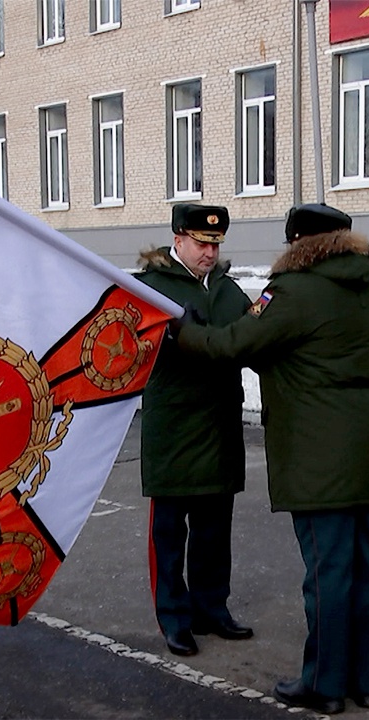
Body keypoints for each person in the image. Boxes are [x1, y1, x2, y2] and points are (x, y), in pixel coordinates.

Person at [177, 203, 369, 714]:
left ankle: (324, 686)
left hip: (321, 453)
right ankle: (367, 683)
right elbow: (308, 351)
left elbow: (232, 344)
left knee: (328, 573)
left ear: (298, 243)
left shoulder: (293, 291)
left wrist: (185, 329)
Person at [135, 203, 254, 657]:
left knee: (214, 528)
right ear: (178, 239)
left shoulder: (227, 291)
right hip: (174, 424)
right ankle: (174, 617)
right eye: (202, 243)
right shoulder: (151, 288)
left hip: (220, 421)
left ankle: (211, 608)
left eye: (216, 243)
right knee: (169, 532)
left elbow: (251, 338)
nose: (210, 251)